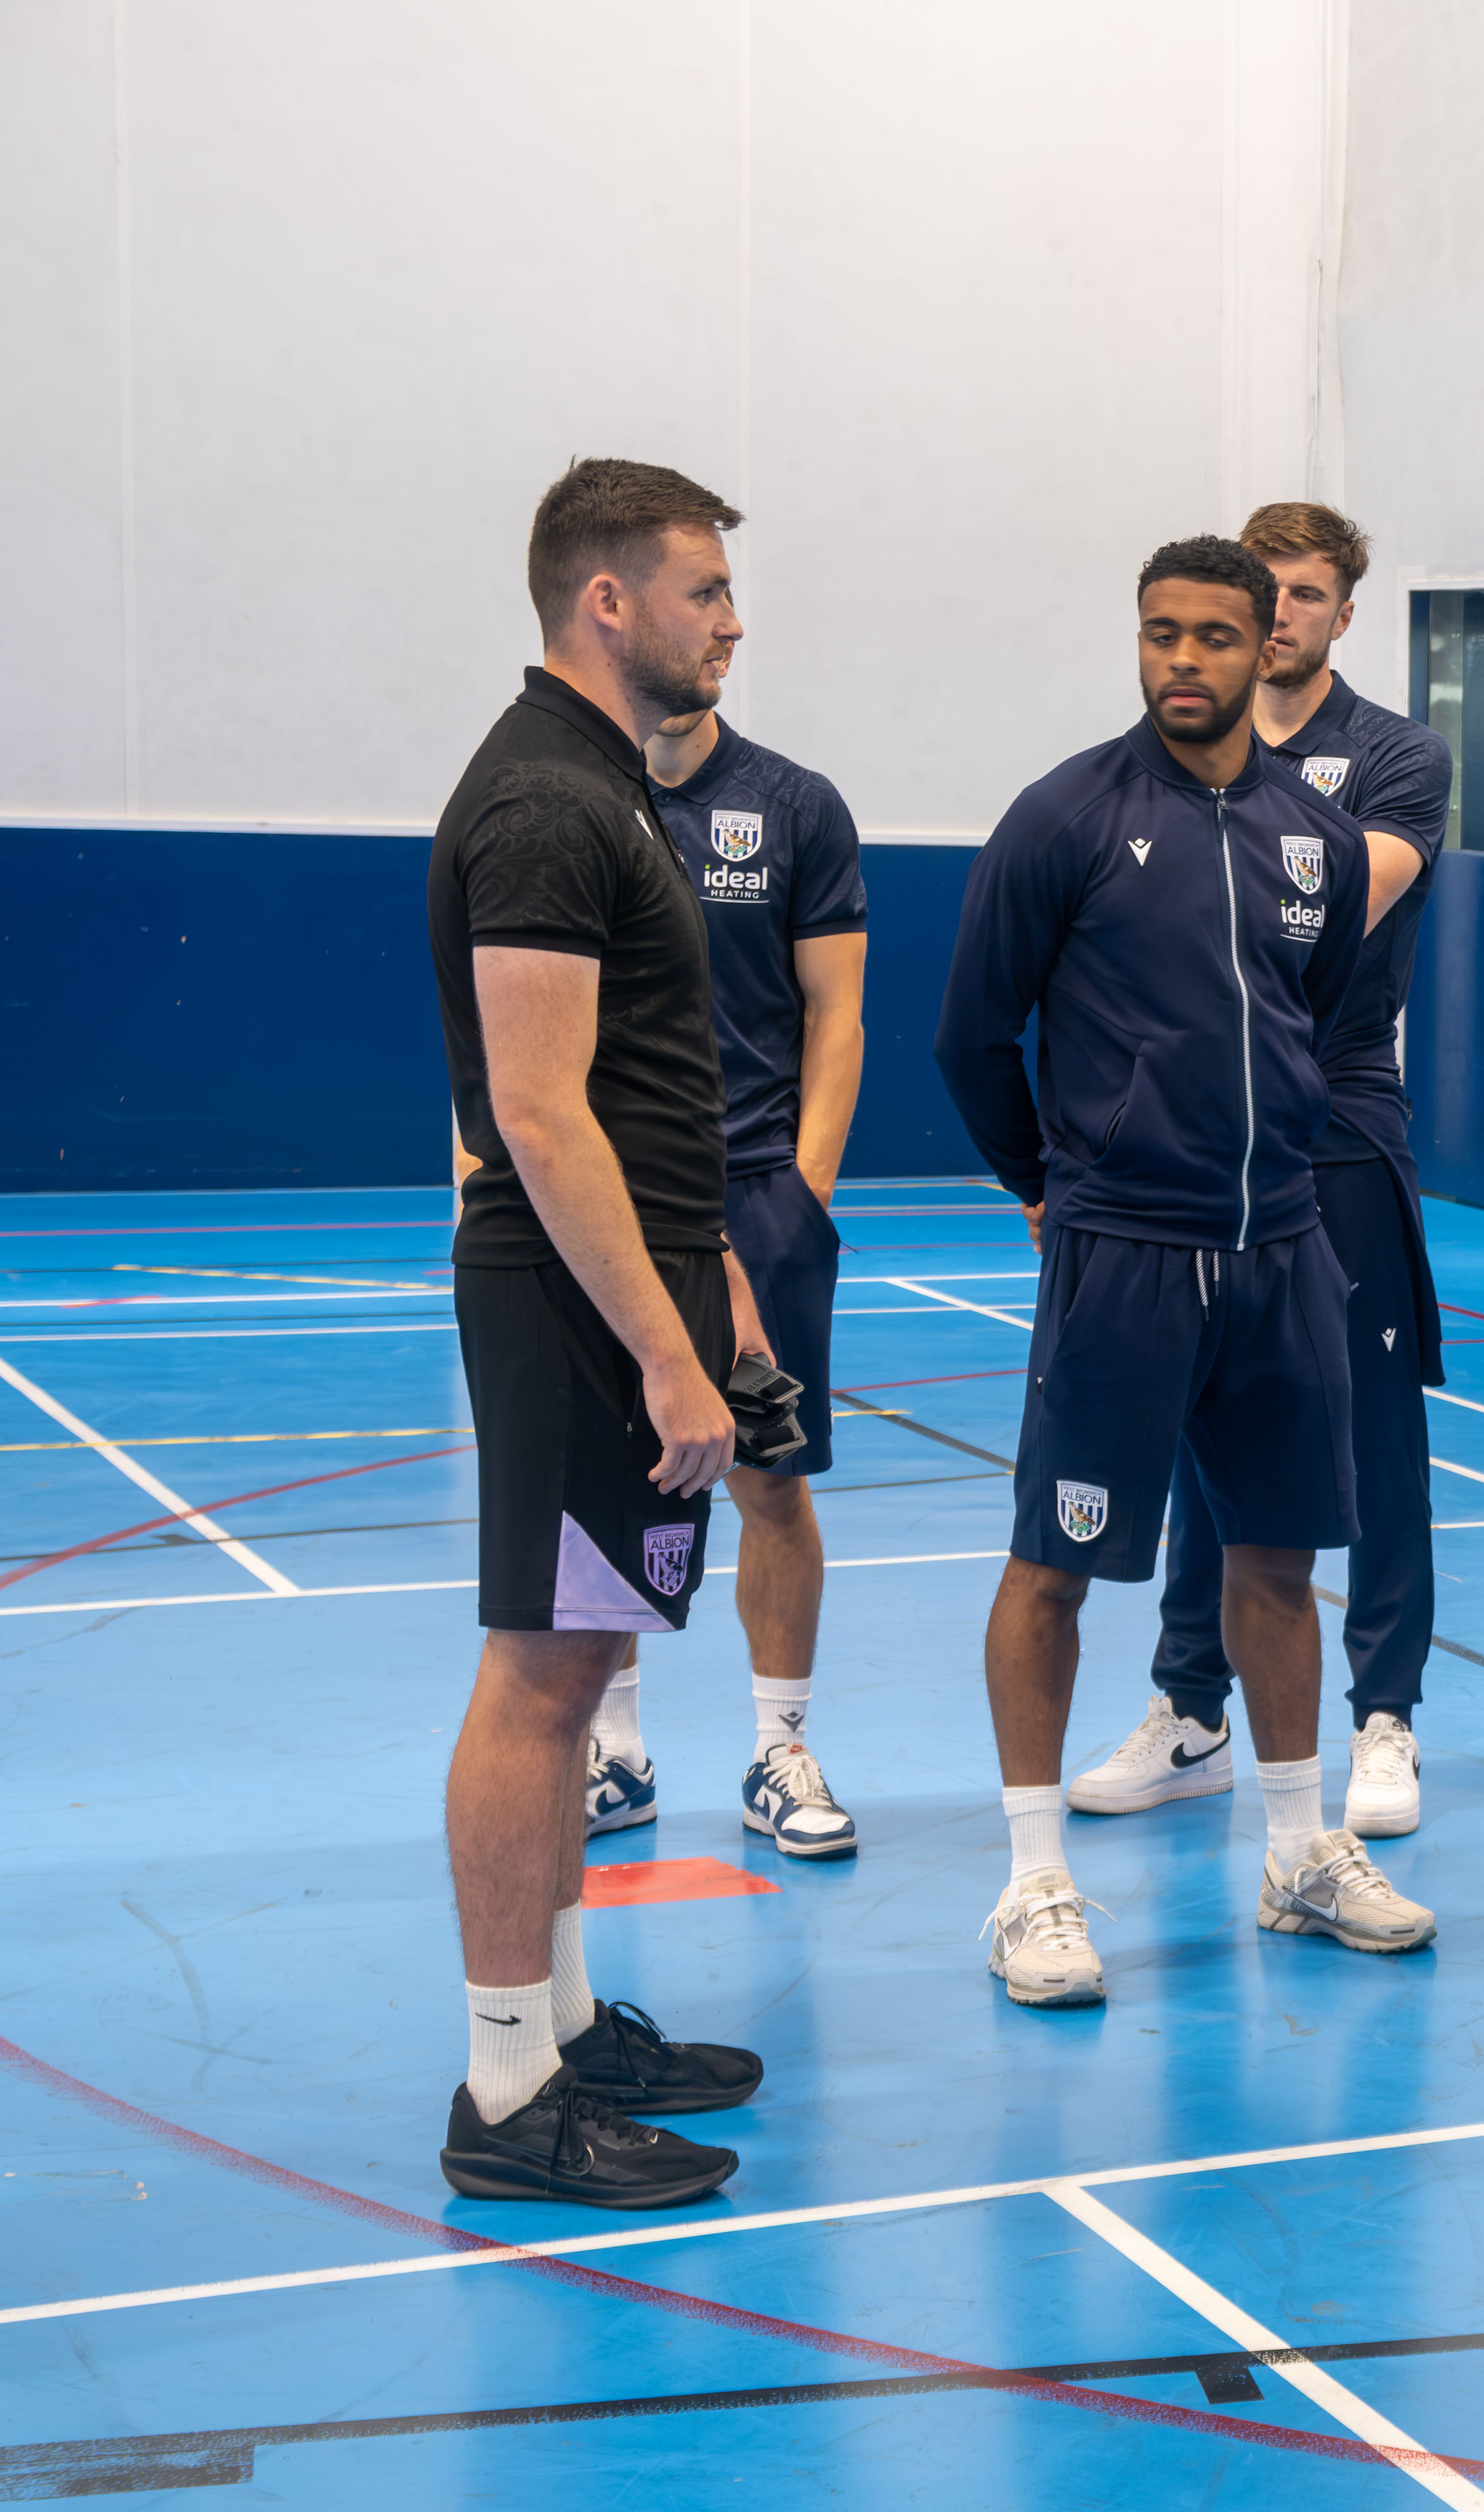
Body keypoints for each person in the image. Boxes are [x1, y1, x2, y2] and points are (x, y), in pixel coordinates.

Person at [933, 536, 1431, 2009]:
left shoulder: (1315, 840)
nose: (1187, 663)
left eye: (1217, 635)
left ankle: (1298, 1851)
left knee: (1278, 1565)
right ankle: (1033, 1884)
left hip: (1282, 1250)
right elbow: (972, 1037)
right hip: (1123, 1260)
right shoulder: (1063, 818)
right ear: (1139, 641)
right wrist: (1048, 1184)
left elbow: (1327, 1014)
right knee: (1054, 1567)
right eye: (1163, 635)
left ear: (1268, 637)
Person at [427, 459, 772, 2205]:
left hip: (621, 1282)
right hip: (569, 1305)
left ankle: (557, 2026)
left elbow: (631, 1104)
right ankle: (507, 2093)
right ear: (606, 602)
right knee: (543, 1674)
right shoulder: (550, 807)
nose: (731, 619)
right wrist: (660, 1348)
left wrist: (718, 1290)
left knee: (574, 1677)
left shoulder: (605, 789)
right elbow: (543, 1115)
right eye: (703, 588)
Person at [1066, 501, 1455, 1842]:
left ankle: (1385, 1712)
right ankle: (1191, 1705)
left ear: (1344, 612)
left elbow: (1327, 914)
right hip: (1187, 1135)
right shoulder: (1157, 769)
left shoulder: (1397, 758)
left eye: (1304, 595)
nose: (1279, 615)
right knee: (1199, 1425)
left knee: (1376, 1428)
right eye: (1262, 592)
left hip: (1334, 1118)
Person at [564, 678, 871, 1861]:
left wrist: (801, 1195)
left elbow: (834, 1016)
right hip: (611, 1195)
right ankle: (616, 1753)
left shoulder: (794, 806)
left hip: (757, 1195)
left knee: (771, 1483)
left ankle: (779, 1747)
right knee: (608, 1482)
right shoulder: (580, 801)